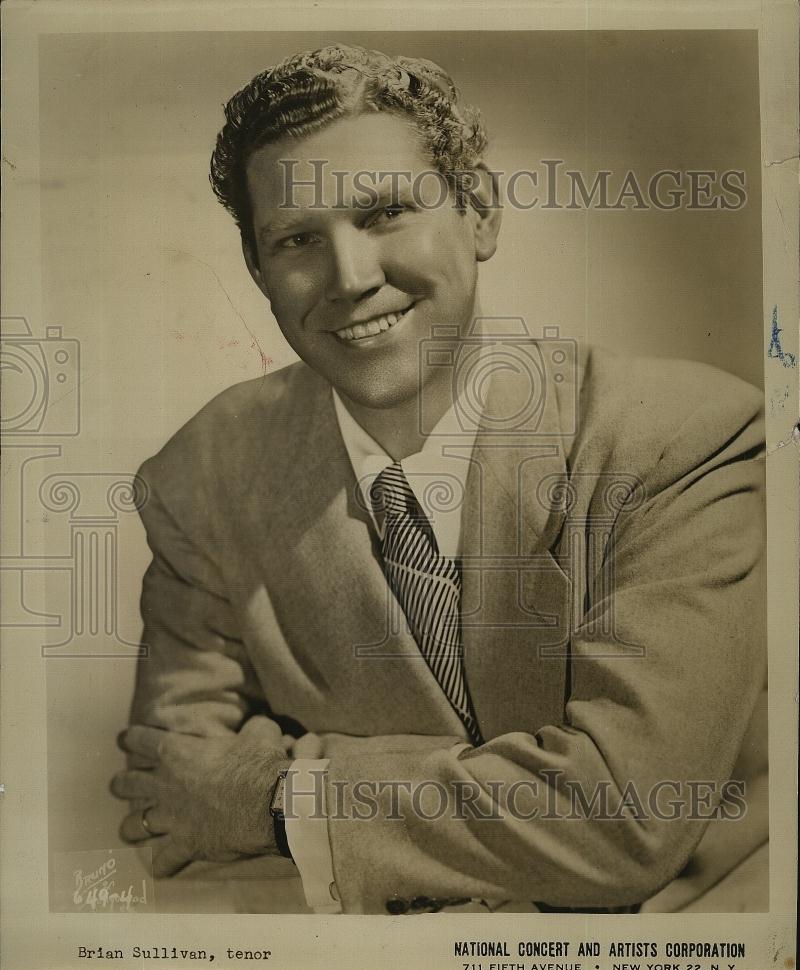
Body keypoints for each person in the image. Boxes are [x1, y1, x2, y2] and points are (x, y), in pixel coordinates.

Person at [111, 44, 768, 915]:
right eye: (299, 239)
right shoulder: (202, 470)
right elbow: (173, 805)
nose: (351, 279)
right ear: (258, 272)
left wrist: (280, 800)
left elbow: (625, 818)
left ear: (481, 212)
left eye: (384, 212)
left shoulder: (682, 436)